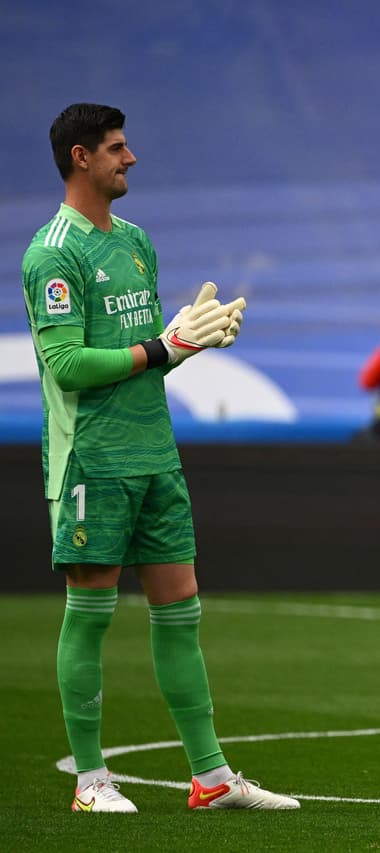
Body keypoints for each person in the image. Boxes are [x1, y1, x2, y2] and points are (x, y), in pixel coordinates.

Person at [21, 103, 297, 812]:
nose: (131, 157)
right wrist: (162, 347)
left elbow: (145, 364)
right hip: (93, 459)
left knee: (181, 609)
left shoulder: (138, 242)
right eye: (116, 148)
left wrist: (187, 341)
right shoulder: (53, 252)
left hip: (155, 454)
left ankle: (209, 777)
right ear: (81, 157)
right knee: (89, 613)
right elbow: (67, 364)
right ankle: (90, 781)